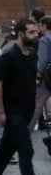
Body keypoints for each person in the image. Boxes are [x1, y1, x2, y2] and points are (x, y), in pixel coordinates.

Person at [0, 18, 51, 175]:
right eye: (31, 32)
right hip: (13, 111)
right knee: (26, 150)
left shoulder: (33, 53)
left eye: (36, 32)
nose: (35, 35)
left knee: (6, 149)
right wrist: (0, 111)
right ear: (21, 33)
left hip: (27, 110)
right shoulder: (9, 56)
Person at [34, 16, 51, 154]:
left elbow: (42, 61)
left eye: (40, 25)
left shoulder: (45, 40)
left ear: (45, 26)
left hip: (47, 77)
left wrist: (37, 75)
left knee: (38, 103)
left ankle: (25, 131)